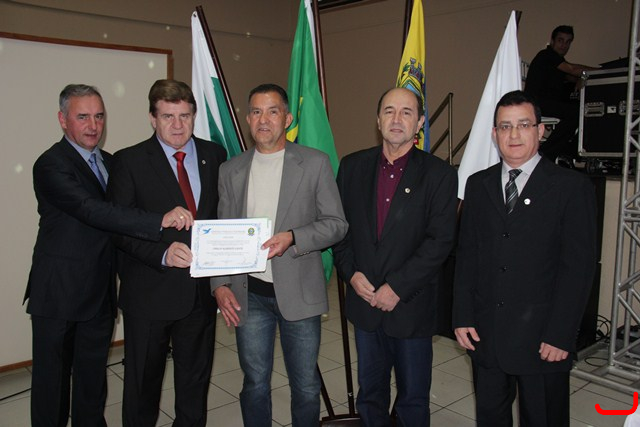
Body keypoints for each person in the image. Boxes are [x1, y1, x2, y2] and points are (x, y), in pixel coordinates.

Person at [25, 84, 194, 427]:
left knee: (91, 383)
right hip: (59, 293)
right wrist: (158, 220)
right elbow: (92, 210)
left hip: (99, 293)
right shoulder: (51, 164)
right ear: (62, 120)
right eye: (82, 117)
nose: (93, 125)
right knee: (52, 386)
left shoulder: (110, 161)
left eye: (99, 116)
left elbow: (121, 220)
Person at [453, 90, 597, 427]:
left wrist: (561, 335)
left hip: (543, 340)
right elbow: (467, 256)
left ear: (540, 130)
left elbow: (578, 269)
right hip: (486, 335)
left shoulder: (571, 188)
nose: (514, 135)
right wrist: (462, 315)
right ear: (494, 134)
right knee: (491, 417)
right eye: (505, 126)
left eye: (523, 125)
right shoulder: (478, 185)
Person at [211, 83, 347, 427]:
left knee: (305, 386)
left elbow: (336, 225)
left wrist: (294, 237)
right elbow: (223, 231)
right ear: (247, 119)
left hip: (299, 293)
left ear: (286, 118)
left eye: (272, 111)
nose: (264, 120)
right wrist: (220, 284)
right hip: (249, 295)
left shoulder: (314, 163)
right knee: (254, 384)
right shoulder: (231, 170)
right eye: (256, 112)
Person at [333, 87, 458, 426]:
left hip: (410, 306)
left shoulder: (440, 174)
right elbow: (339, 230)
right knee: (370, 395)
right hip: (365, 303)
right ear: (378, 120)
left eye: (406, 112)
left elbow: (440, 241)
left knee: (413, 400)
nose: (397, 119)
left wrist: (397, 287)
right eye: (389, 111)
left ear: (420, 123)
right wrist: (351, 274)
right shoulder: (352, 167)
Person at [107, 79, 227, 427]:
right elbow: (119, 228)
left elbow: (221, 217)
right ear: (152, 118)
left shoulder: (214, 155)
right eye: (167, 116)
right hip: (149, 294)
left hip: (199, 295)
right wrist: (161, 253)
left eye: (184, 116)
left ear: (194, 116)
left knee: (194, 384)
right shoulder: (128, 161)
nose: (177, 125)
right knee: (143, 386)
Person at [524, 25, 599, 163]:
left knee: (582, 110)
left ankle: (564, 151)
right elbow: (572, 69)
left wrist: (580, 78)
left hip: (546, 102)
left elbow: (571, 74)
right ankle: (548, 154)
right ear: (552, 41)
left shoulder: (557, 61)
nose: (564, 45)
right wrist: (601, 72)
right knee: (577, 112)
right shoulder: (547, 55)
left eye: (568, 42)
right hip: (536, 103)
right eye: (560, 40)